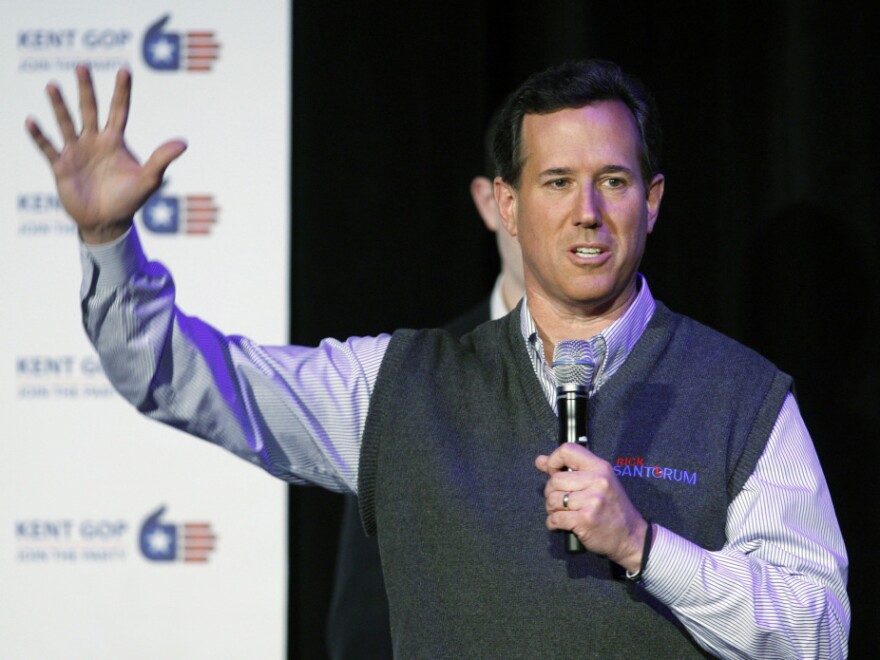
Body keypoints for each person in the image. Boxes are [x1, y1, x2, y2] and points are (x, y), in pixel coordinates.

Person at [26, 59, 849, 658]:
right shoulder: (398, 386)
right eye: (558, 182)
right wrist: (107, 242)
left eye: (615, 181)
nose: (588, 213)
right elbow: (180, 376)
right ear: (507, 205)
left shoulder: (744, 397)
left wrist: (643, 546)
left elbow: (818, 632)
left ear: (654, 200)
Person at [325, 114, 525, 659]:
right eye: (551, 183)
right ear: (493, 203)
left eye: (604, 182)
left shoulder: (690, 378)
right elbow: (364, 627)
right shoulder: (410, 381)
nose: (576, 215)